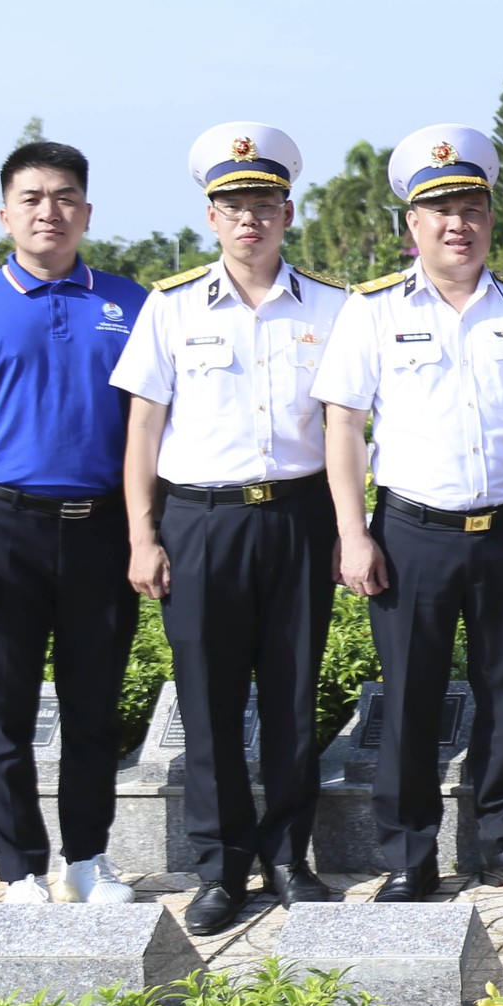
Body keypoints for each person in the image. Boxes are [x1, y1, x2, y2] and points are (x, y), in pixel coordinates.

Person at [314, 124, 503, 902]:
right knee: (412, 696)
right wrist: (352, 532)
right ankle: (408, 854)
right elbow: (343, 426)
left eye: (470, 207)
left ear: (490, 218)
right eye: (439, 210)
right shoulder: (370, 312)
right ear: (413, 225)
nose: (456, 223)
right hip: (411, 532)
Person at [111, 124, 348, 933]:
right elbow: (143, 429)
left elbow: (349, 427)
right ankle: (221, 868)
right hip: (201, 520)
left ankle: (289, 857)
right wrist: (142, 535)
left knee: (292, 694)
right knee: (207, 699)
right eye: (232, 204)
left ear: (289, 211)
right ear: (211, 216)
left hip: (298, 514)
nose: (248, 218)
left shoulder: (333, 307)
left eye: (263, 203)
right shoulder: (171, 305)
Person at [0, 140, 148, 905]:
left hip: (100, 527)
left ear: (86, 209)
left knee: (92, 707)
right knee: (3, 713)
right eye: (34, 197)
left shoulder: (130, 302)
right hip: (2, 526)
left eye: (66, 196)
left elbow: (152, 430)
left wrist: (147, 534)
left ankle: (88, 857)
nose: (51, 210)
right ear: (6, 212)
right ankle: (19, 870)